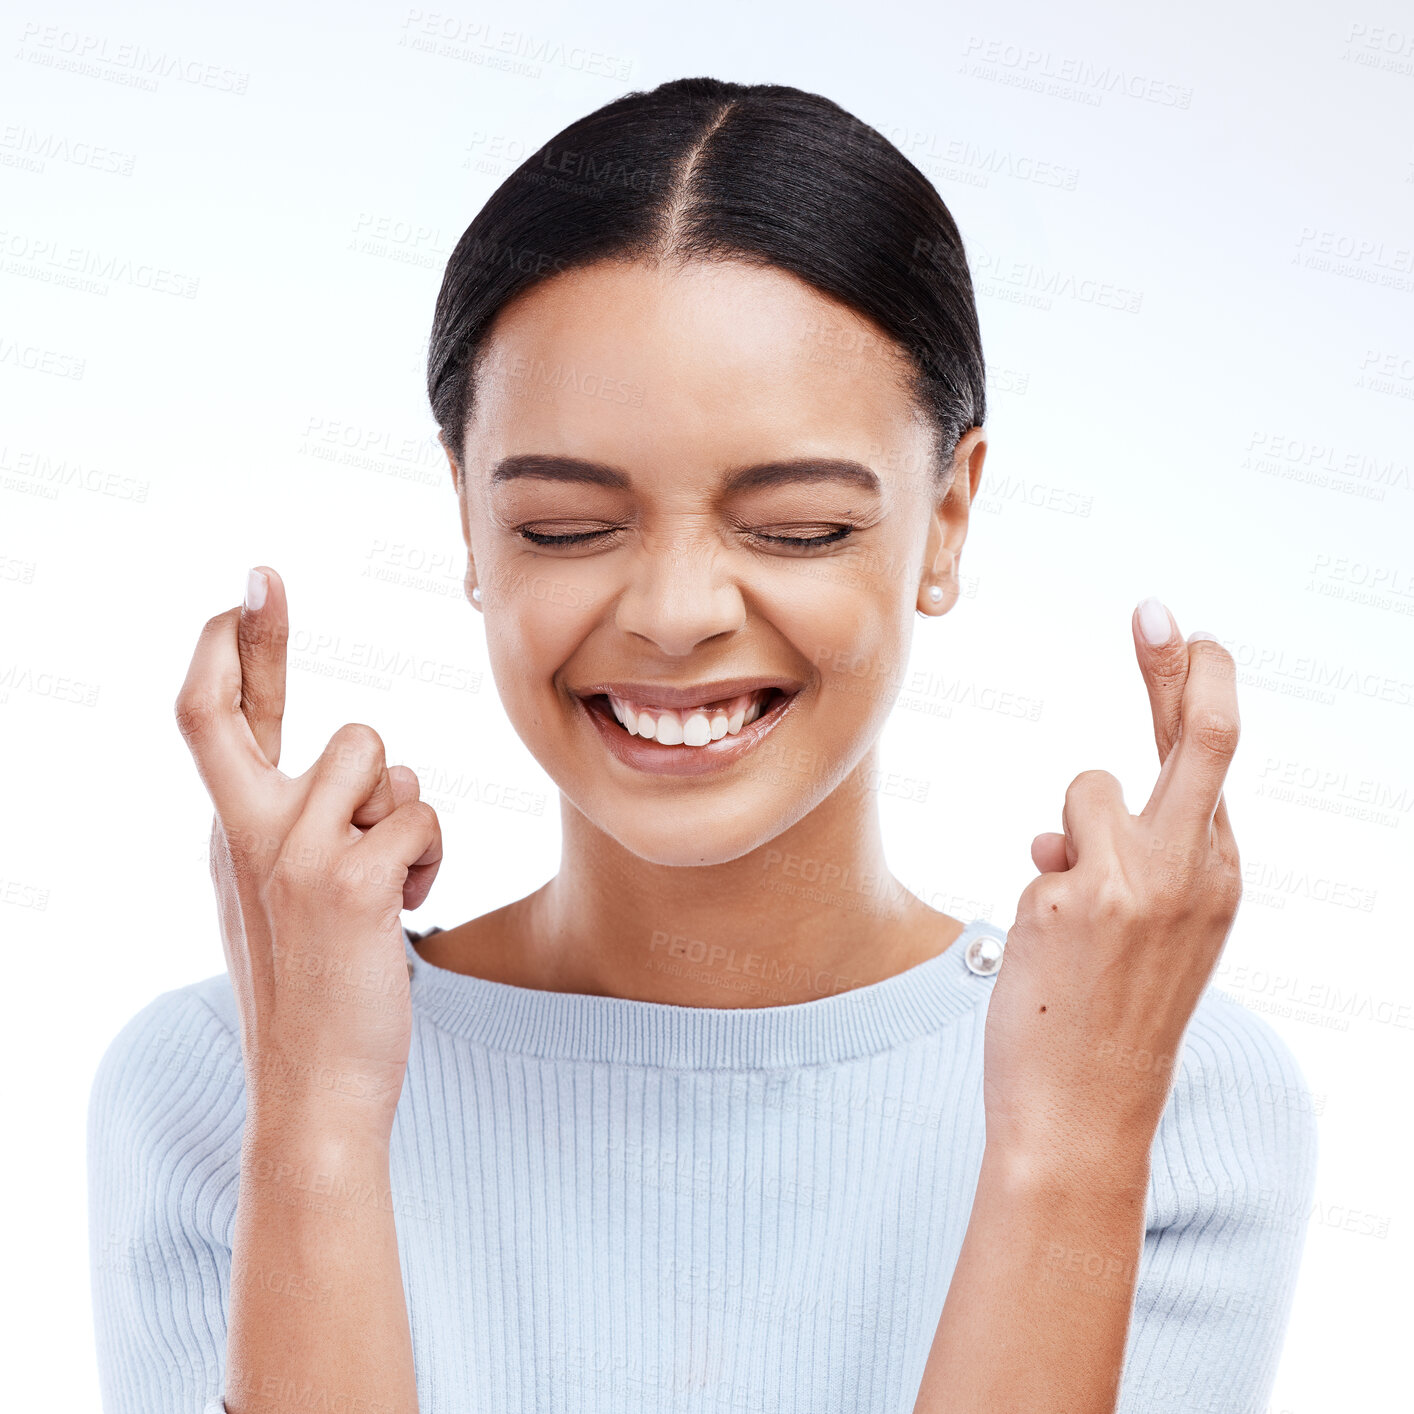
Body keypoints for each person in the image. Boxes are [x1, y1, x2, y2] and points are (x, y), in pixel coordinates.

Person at [88, 77, 1317, 1413]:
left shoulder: (1165, 1087)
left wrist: (1066, 1149)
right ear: (466, 517)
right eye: (563, 522)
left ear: (948, 516)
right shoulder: (227, 1081)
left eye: (795, 526)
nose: (675, 615)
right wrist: (316, 1131)